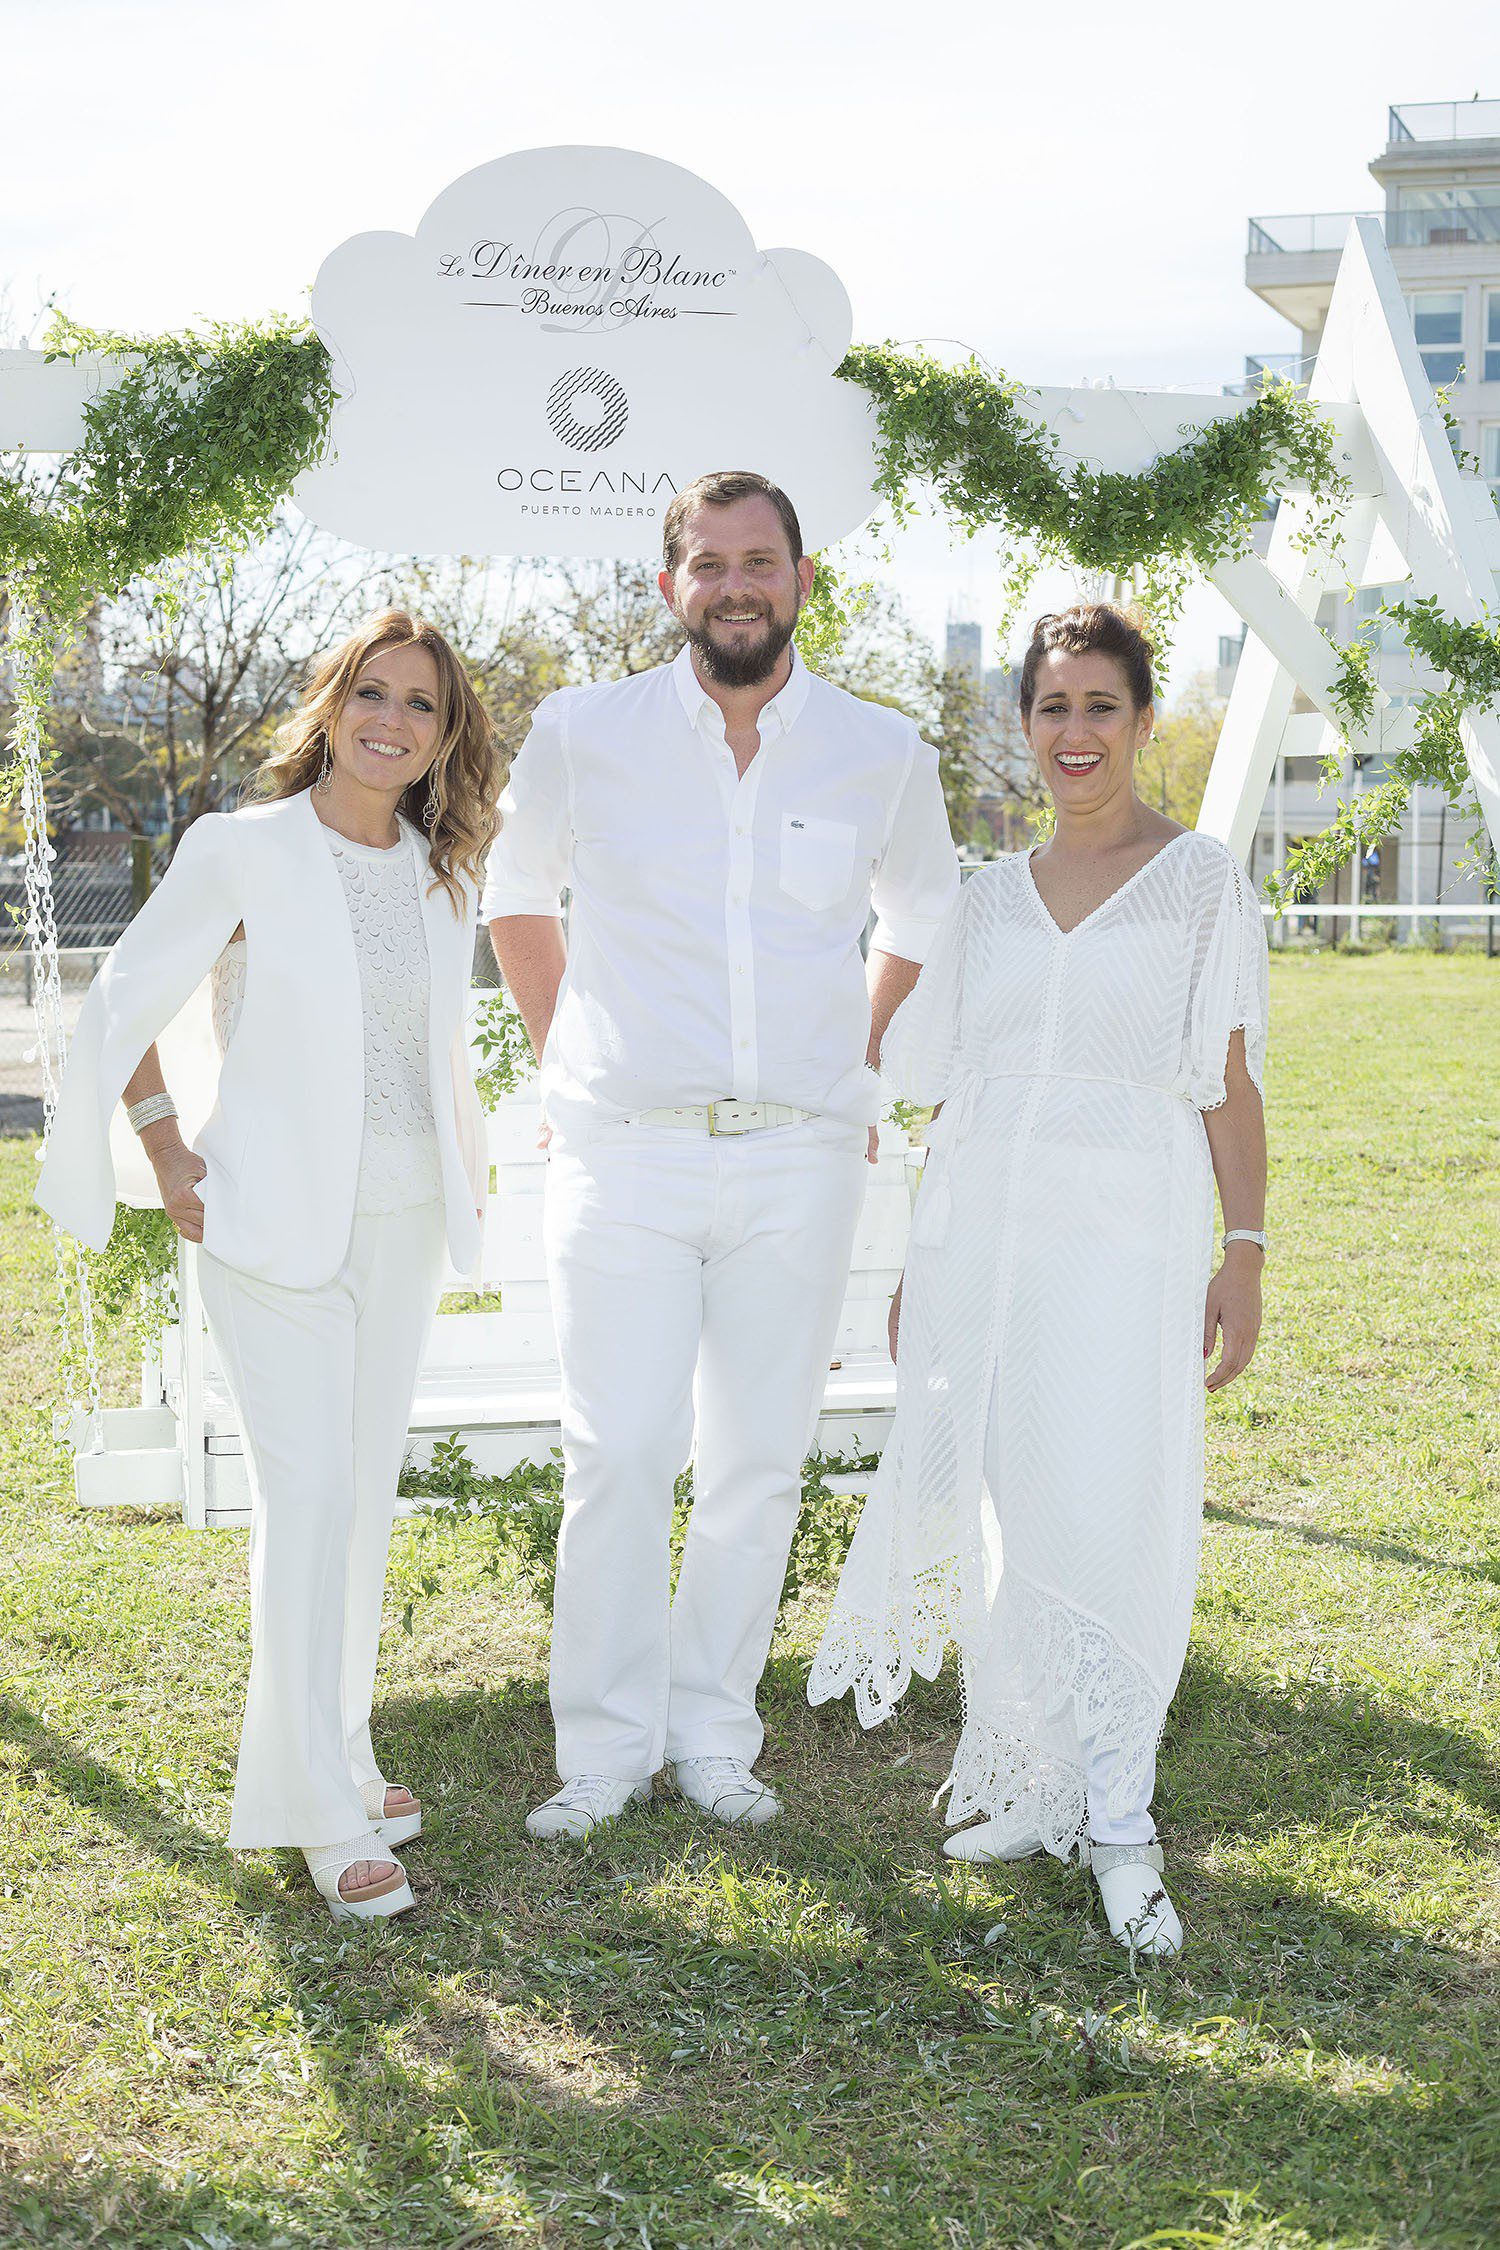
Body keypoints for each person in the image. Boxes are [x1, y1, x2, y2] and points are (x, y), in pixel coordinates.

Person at [486, 469, 959, 1841]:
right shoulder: (584, 731)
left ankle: (710, 1734)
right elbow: (516, 894)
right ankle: (605, 1748)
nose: (736, 584)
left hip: (797, 1161)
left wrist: (854, 1060)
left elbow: (925, 908)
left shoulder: (882, 750)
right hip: (622, 1151)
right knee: (621, 1449)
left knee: (757, 1460)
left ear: (804, 580)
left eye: (761, 560)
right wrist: (565, 1056)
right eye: (710, 562)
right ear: (669, 586)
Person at [809, 604, 1269, 1959]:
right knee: (1015, 1509)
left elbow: (1229, 1085)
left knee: (1113, 1510)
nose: (1077, 733)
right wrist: (912, 1260)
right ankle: (1030, 1776)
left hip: (1128, 1242)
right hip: (984, 1240)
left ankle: (1122, 1817)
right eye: (1053, 707)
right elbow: (941, 1094)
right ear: (1028, 726)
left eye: (1102, 706)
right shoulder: (986, 899)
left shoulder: (1198, 882)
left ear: (1140, 720)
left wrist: (1243, 1254)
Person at [37, 611, 498, 1922]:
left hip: (405, 1222)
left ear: (443, 734)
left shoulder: (437, 875)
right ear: (332, 702)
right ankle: (312, 1807)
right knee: (306, 1507)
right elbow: (122, 998)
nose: (393, 720)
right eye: (373, 692)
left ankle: (340, 1748)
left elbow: (430, 1056)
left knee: (356, 1502)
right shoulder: (239, 848)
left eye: (421, 704)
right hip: (269, 1227)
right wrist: (166, 1150)